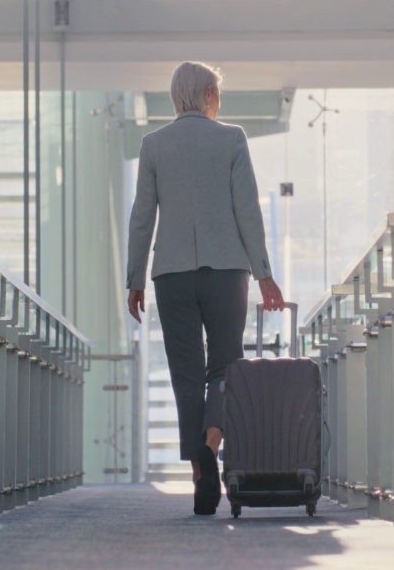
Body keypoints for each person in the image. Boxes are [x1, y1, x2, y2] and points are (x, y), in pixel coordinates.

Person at [125, 61, 285, 516]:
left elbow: (143, 217)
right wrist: (264, 273)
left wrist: (135, 278)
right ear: (209, 95)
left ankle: (200, 472)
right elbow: (247, 211)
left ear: (178, 96)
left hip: (171, 274)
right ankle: (211, 446)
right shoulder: (232, 139)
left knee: (186, 375)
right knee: (225, 366)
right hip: (227, 271)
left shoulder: (153, 145)